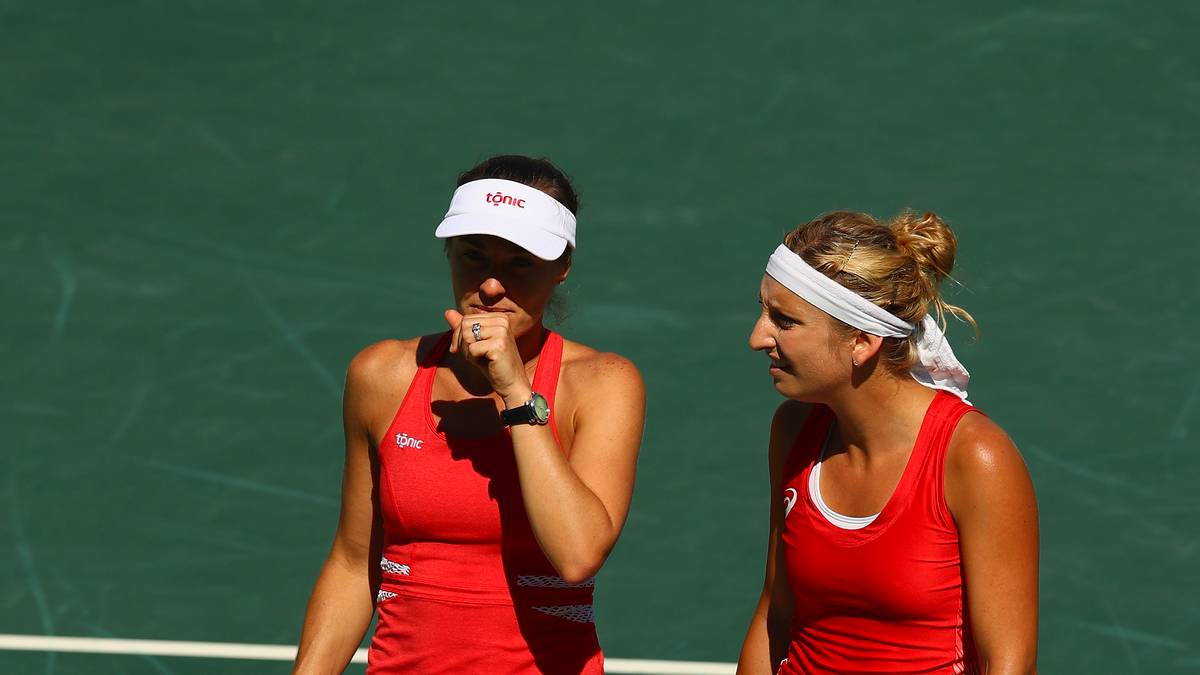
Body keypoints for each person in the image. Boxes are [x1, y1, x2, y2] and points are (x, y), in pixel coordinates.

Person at [293, 155, 645, 674]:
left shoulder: (604, 384)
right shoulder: (382, 375)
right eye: (473, 257)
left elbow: (578, 555)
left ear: (563, 265)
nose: (491, 286)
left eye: (520, 263)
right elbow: (352, 563)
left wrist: (514, 391)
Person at [736, 211, 1039, 675]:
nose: (758, 337)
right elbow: (774, 611)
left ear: (861, 340)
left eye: (785, 320)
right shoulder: (794, 431)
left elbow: (1008, 663)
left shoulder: (975, 458)